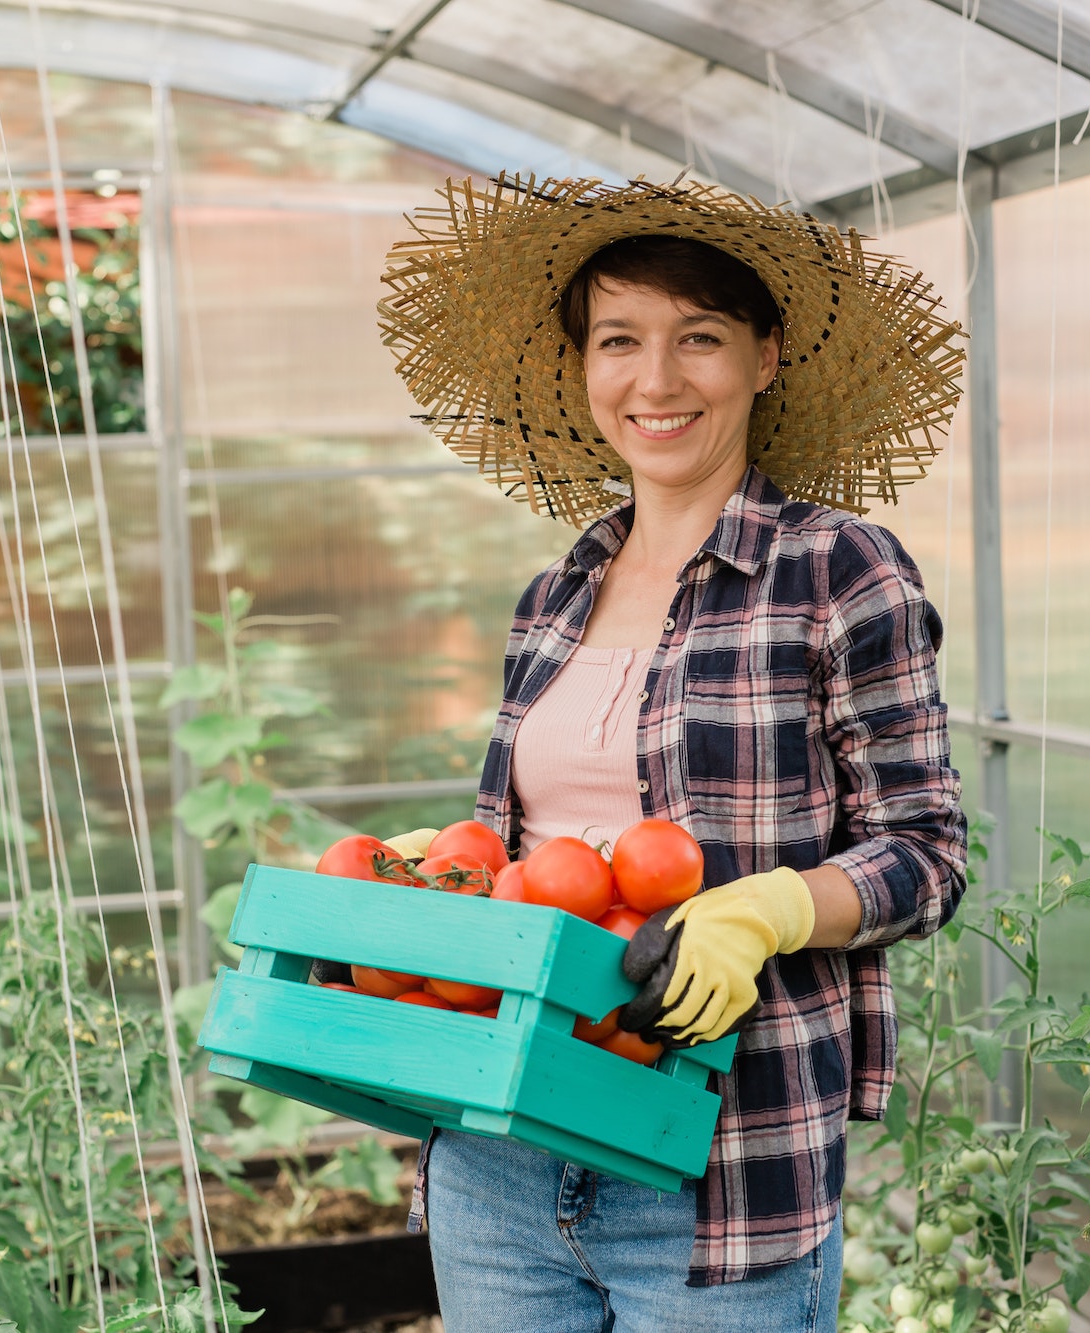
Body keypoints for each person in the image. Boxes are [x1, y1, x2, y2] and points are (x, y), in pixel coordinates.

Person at [377, 176, 969, 1333]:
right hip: (498, 1150)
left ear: (766, 356)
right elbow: (530, 858)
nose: (655, 380)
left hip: (720, 1171)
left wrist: (766, 912)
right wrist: (441, 867)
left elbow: (925, 855)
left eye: (698, 337)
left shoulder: (839, 570)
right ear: (582, 367)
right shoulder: (553, 595)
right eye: (619, 340)